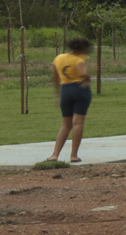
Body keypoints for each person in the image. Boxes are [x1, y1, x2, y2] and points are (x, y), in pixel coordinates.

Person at [43, 36, 92, 165]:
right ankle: (74, 155)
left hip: (65, 90)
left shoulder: (58, 58)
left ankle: (54, 155)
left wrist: (57, 95)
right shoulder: (79, 60)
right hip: (80, 90)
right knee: (78, 123)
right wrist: (87, 77)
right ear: (84, 49)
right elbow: (82, 74)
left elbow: (55, 78)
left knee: (66, 124)